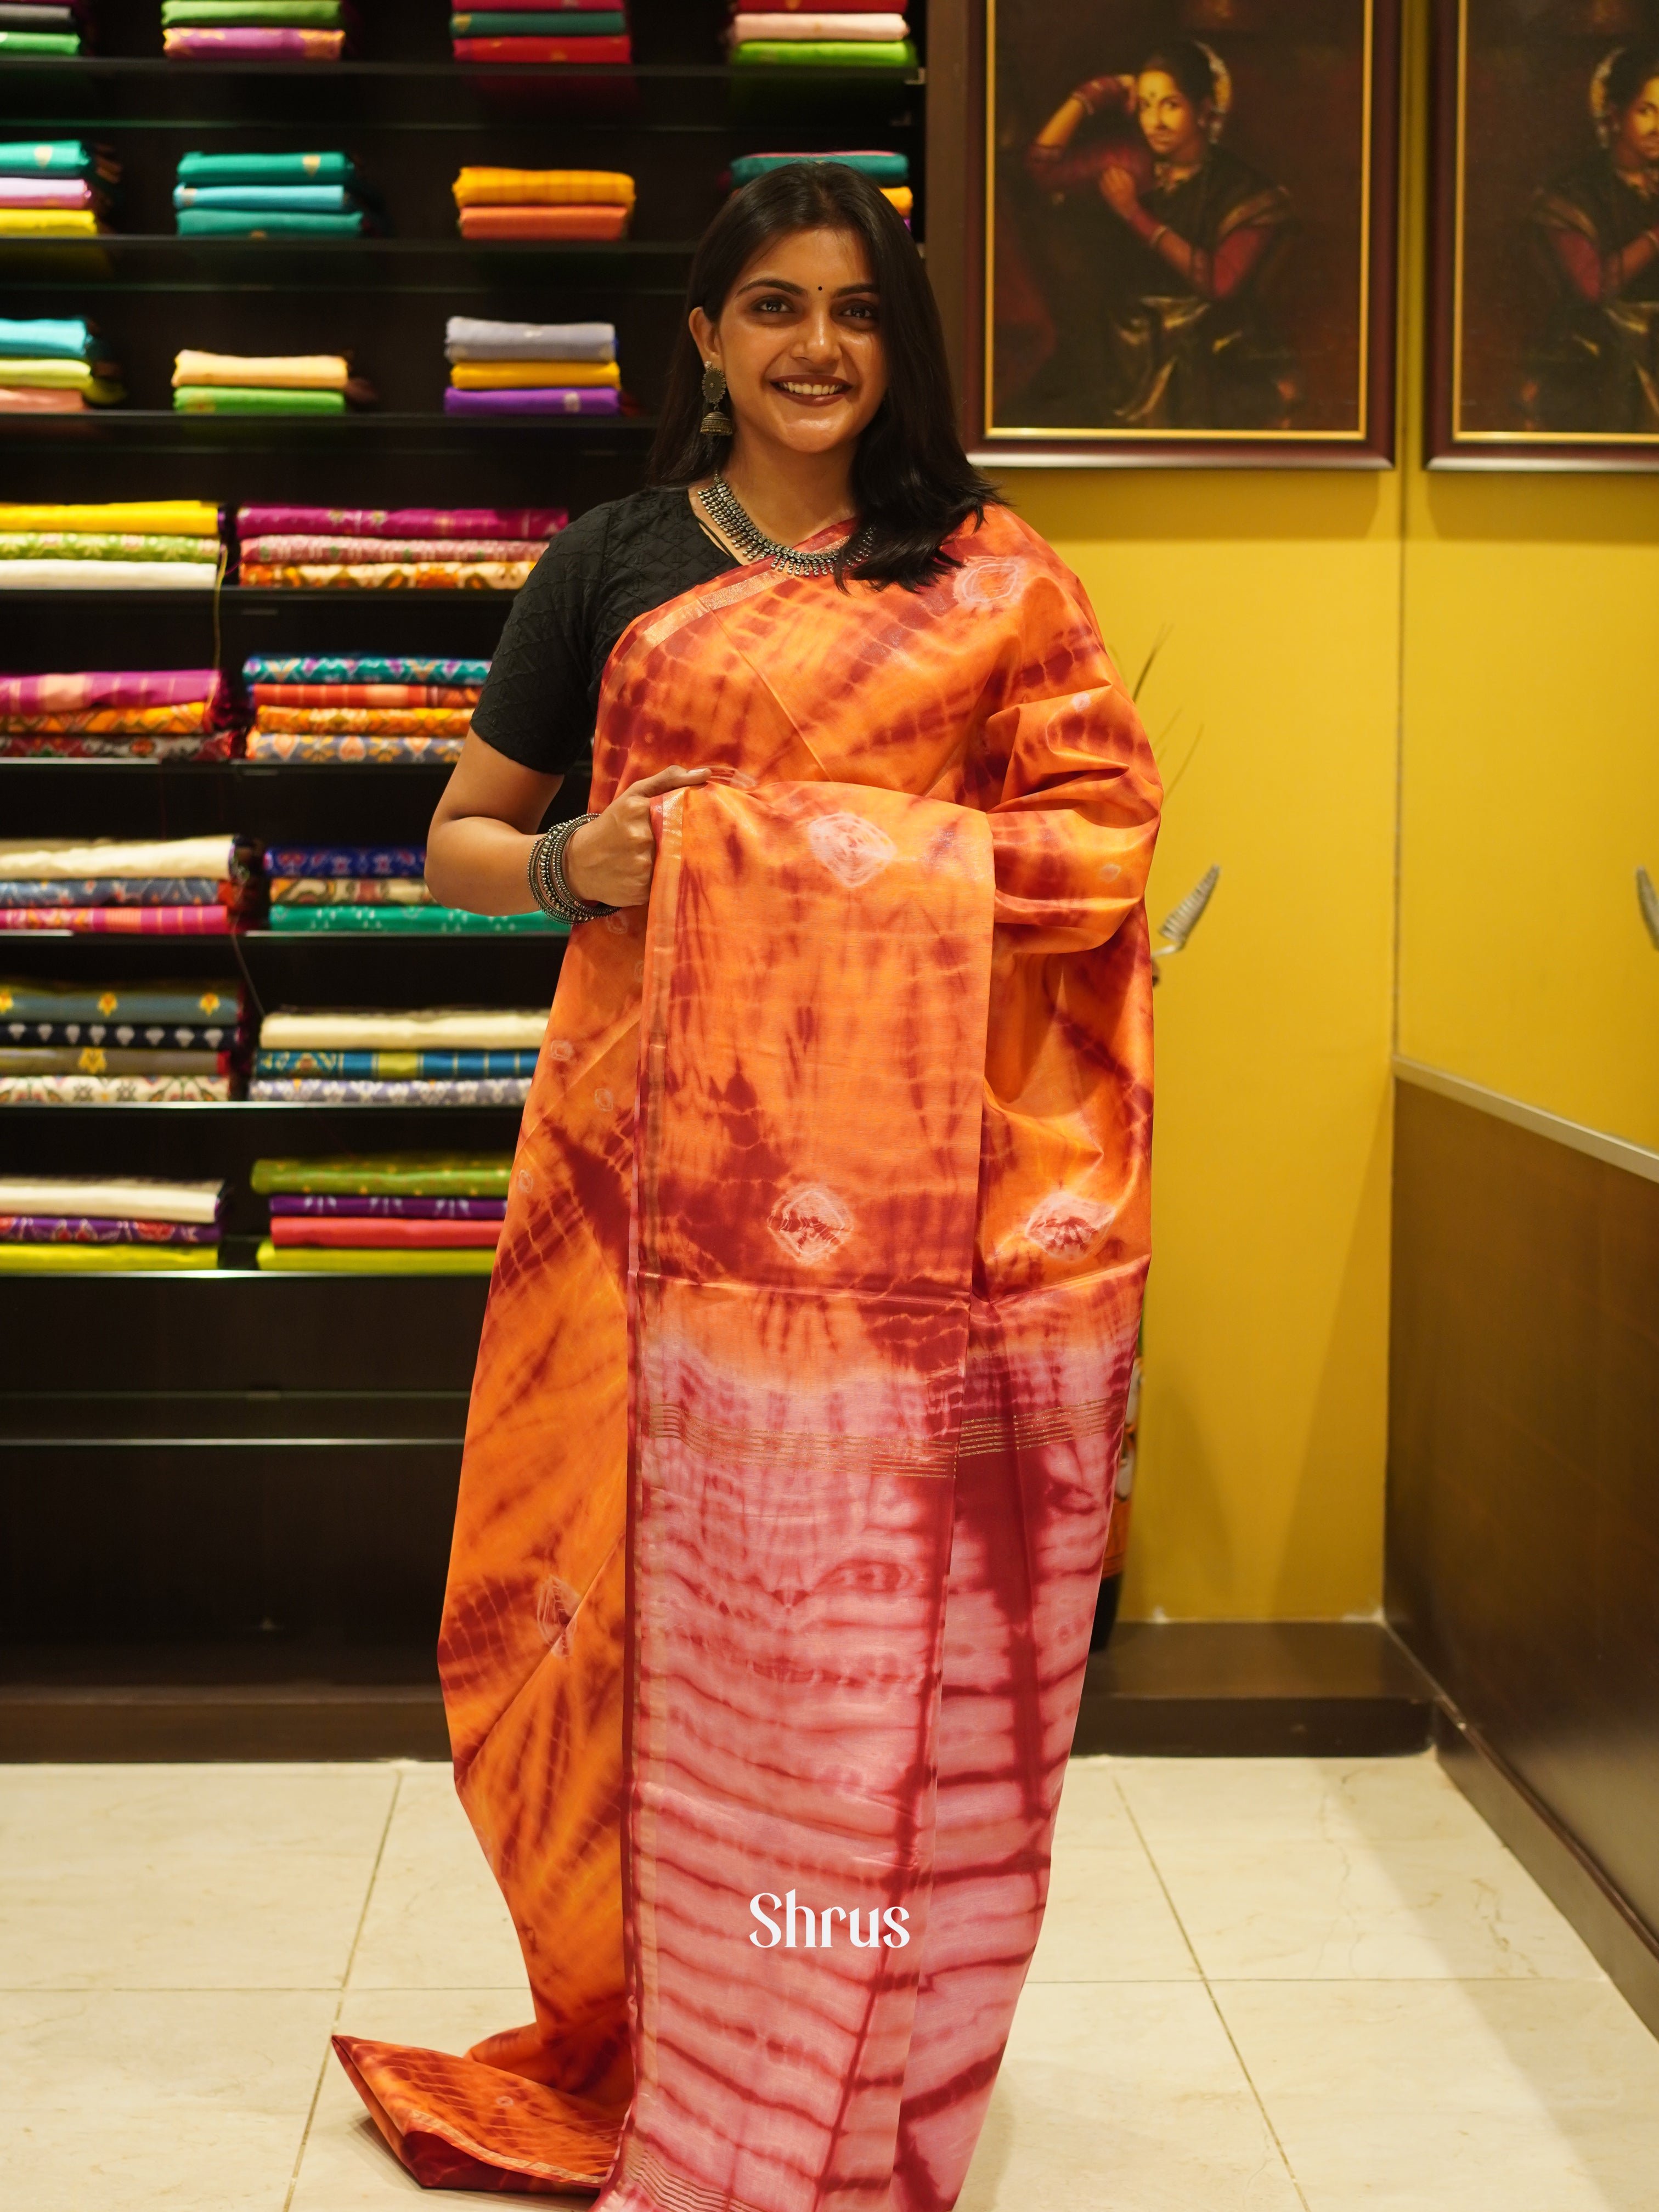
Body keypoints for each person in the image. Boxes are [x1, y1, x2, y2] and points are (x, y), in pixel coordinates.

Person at [332, 161, 1160, 2208]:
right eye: (771, 307)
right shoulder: (608, 560)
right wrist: (579, 866)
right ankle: (672, 2026)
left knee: (861, 1657)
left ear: (902, 344)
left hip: (901, 1236)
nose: (814, 349)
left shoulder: (989, 575)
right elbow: (455, 838)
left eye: (855, 311)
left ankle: (832, 2048)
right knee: (576, 1624)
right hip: (631, 1199)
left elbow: (1099, 853)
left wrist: (803, 848)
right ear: (699, 340)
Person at [1023, 38, 1295, 428]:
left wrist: (1135, 214)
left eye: (1171, 105)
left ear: (1203, 110)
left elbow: (1218, 281)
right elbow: (1041, 166)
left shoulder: (1246, 191)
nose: (1155, 122)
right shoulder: (1132, 161)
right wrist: (1093, 95)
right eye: (1147, 105)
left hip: (1204, 349)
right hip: (1122, 346)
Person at [1526, 44, 1659, 433]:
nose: (1658, 127)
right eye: (1646, 111)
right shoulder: (1573, 193)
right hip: (1599, 365)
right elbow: (1594, 286)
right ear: (1615, 115)